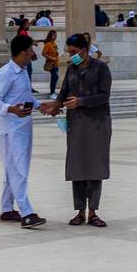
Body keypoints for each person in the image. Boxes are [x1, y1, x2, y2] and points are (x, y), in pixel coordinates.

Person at [42, 33, 112, 227]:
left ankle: (93, 212)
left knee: (94, 168)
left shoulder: (101, 68)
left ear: (84, 49)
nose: (71, 55)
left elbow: (104, 96)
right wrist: (55, 105)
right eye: (69, 52)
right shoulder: (72, 70)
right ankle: (80, 211)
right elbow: (64, 93)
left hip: (97, 124)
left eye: (74, 52)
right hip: (76, 124)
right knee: (78, 167)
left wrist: (80, 101)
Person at [0, 34, 44, 229]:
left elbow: (25, 97)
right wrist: (12, 109)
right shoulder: (5, 73)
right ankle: (27, 212)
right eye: (31, 50)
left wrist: (42, 106)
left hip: (24, 126)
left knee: (12, 169)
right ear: (23, 53)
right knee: (19, 170)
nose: (33, 53)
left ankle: (6, 208)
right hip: (11, 129)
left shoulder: (22, 72)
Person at [41, 30, 60, 95]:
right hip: (51, 64)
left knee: (55, 77)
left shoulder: (54, 44)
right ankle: (52, 93)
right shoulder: (48, 44)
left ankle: (53, 92)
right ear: (50, 36)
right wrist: (52, 58)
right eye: (54, 35)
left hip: (56, 64)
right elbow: (43, 53)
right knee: (54, 77)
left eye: (56, 35)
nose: (55, 36)